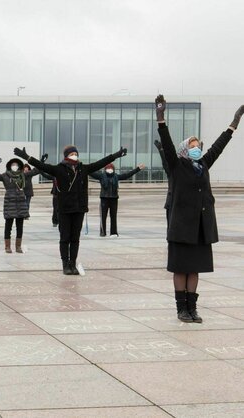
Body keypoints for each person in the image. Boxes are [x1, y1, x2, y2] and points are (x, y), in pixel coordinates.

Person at [157, 95, 242, 323]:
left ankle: (193, 309)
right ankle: (181, 309)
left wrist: (234, 122)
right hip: (181, 226)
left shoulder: (203, 164)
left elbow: (219, 146)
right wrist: (161, 117)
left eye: (198, 146)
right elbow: (166, 143)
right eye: (193, 147)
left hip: (200, 227)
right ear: (185, 149)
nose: (197, 149)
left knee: (194, 269)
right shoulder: (176, 166)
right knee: (181, 269)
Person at [16, 144, 128, 275]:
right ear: (66, 156)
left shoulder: (83, 168)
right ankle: (65, 264)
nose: (74, 156)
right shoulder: (59, 169)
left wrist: (115, 155)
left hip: (79, 208)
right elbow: (43, 166)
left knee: (75, 238)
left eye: (75, 154)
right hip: (64, 209)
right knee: (65, 238)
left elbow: (100, 163)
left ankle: (72, 264)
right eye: (71, 154)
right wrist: (26, 157)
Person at [0, 156, 42, 253]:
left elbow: (35, 171)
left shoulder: (23, 175)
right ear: (9, 166)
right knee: (8, 226)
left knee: (20, 226)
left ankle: (18, 247)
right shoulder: (5, 176)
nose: (14, 166)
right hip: (9, 202)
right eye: (13, 165)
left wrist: (40, 162)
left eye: (16, 165)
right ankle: (7, 247)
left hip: (21, 202)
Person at [89, 163, 144, 237]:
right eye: (108, 168)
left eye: (111, 168)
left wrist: (138, 169)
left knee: (113, 216)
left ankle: (113, 232)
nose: (109, 169)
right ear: (105, 169)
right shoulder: (101, 176)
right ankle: (103, 232)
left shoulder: (116, 176)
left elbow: (127, 175)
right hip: (104, 199)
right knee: (103, 217)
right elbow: (90, 173)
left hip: (114, 199)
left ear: (113, 169)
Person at [154, 139, 173, 222]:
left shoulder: (188, 171)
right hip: (172, 203)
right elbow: (165, 163)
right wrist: (161, 150)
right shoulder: (173, 173)